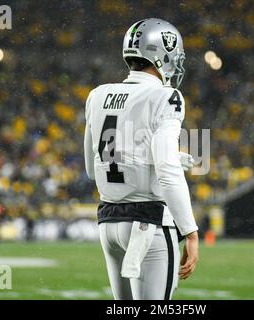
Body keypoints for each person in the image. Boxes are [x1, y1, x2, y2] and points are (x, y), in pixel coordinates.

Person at [84, 18, 199, 300]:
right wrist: (191, 232)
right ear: (162, 53)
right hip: (148, 222)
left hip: (108, 223)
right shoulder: (166, 96)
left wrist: (160, 158)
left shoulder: (98, 95)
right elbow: (167, 171)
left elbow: (91, 168)